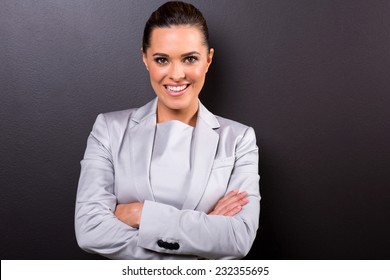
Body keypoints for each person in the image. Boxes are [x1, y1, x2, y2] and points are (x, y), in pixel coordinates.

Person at [75, 1, 260, 260]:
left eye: (190, 59)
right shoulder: (108, 130)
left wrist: (139, 214)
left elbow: (237, 238)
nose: (176, 74)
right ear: (145, 59)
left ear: (208, 59)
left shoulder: (239, 139)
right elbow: (90, 230)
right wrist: (199, 245)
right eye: (162, 59)